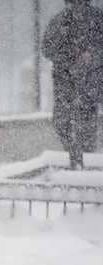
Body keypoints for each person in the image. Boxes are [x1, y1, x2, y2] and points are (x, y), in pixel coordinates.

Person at [42, 0, 103, 169]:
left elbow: (47, 49)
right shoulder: (61, 21)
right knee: (67, 122)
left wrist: (91, 57)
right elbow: (47, 48)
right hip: (69, 81)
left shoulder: (96, 19)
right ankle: (78, 158)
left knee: (81, 122)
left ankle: (82, 159)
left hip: (86, 82)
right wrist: (72, 57)